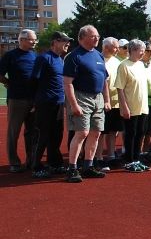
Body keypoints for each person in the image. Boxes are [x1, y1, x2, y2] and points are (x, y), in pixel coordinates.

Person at [62, 25, 110, 182]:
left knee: (96, 133)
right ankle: (72, 168)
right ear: (81, 38)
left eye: (97, 36)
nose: (96, 38)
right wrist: (74, 104)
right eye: (92, 36)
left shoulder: (99, 56)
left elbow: (104, 81)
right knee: (82, 133)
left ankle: (88, 166)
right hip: (81, 96)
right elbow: (67, 83)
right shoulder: (73, 56)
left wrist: (107, 99)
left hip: (98, 98)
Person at [29, 31, 72, 177]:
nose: (68, 43)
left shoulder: (60, 59)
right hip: (45, 103)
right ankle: (36, 166)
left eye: (68, 41)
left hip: (58, 104)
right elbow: (34, 81)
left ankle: (54, 163)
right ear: (55, 42)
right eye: (64, 41)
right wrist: (35, 102)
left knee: (57, 135)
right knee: (43, 135)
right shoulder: (44, 58)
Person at [0, 28, 39, 172]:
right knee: (13, 132)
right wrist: (9, 83)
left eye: (35, 39)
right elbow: (0, 74)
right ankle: (14, 162)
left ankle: (31, 159)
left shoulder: (35, 56)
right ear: (22, 40)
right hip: (17, 99)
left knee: (33, 132)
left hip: (33, 99)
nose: (34, 41)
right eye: (31, 39)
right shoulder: (10, 56)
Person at [114, 39, 151, 173]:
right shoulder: (124, 66)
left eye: (143, 50)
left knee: (140, 133)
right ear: (133, 50)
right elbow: (120, 88)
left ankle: (136, 159)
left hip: (142, 107)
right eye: (140, 50)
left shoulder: (141, 65)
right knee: (131, 134)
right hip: (130, 107)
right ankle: (129, 161)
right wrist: (124, 107)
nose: (143, 53)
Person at [99, 37, 123, 170]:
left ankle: (111, 155)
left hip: (116, 103)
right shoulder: (98, 59)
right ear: (106, 47)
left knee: (113, 131)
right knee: (101, 132)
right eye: (115, 47)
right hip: (102, 103)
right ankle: (98, 158)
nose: (118, 50)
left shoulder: (117, 61)